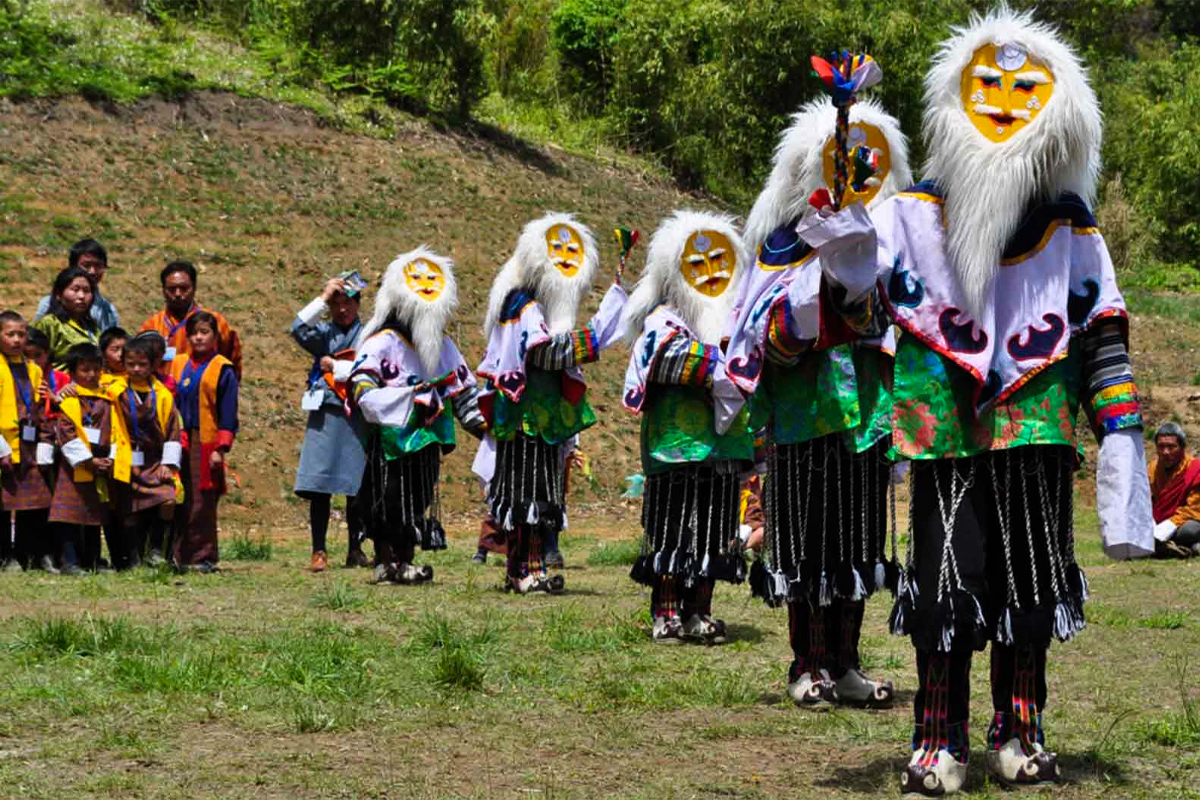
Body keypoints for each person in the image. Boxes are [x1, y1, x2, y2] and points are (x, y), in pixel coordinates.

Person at [842, 9, 1153, 794]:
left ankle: (1021, 730)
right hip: (942, 424)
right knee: (947, 583)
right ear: (955, 95)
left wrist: (1120, 433)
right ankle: (938, 739)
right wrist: (840, 230)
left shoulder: (1073, 228)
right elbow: (854, 306)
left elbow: (1101, 330)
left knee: (1030, 583)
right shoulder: (909, 217)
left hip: (1037, 423)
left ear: (1058, 111)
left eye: (1025, 88)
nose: (1006, 98)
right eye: (987, 83)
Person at [718, 96, 912, 708]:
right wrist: (810, 312)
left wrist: (861, 291)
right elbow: (753, 334)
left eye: (866, 162)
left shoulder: (891, 248)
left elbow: (905, 319)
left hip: (865, 421)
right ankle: (808, 664)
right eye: (839, 161)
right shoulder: (779, 246)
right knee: (805, 545)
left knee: (856, 544)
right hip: (804, 418)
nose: (852, 172)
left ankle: (847, 662)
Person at [474, 213, 630, 594]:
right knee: (524, 495)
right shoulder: (521, 303)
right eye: (556, 250)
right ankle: (523, 570)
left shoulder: (535, 306)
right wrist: (594, 336)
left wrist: (599, 329)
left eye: (571, 251)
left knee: (540, 496)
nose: (564, 257)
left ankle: (529, 568)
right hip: (525, 417)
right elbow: (542, 353)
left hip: (543, 420)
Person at [621, 210, 754, 644]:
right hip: (675, 444)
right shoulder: (661, 320)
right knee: (672, 527)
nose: (711, 272)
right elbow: (664, 363)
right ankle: (666, 612)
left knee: (715, 528)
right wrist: (723, 362)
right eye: (696, 266)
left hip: (721, 446)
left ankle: (700, 610)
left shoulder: (740, 320)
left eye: (720, 260)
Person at [351, 247, 487, 585]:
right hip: (392, 440)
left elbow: (465, 392)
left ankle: (405, 560)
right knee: (389, 498)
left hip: (428, 440)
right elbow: (362, 384)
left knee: (418, 498)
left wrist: (489, 427)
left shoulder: (441, 347)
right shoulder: (382, 342)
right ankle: (387, 561)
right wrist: (397, 399)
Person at [291, 272, 369, 572]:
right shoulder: (323, 333)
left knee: (355, 486)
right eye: (336, 303)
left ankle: (355, 549)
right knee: (320, 485)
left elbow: (372, 367)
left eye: (347, 302)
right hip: (325, 412)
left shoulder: (369, 333)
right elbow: (297, 328)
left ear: (358, 304)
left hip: (357, 412)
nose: (342, 309)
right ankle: (319, 550)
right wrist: (322, 297)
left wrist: (337, 366)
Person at [51, 342, 130, 575]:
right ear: (73, 372)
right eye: (84, 370)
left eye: (96, 369)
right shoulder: (68, 401)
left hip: (101, 467)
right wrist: (88, 461)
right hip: (75, 468)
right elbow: (66, 434)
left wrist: (111, 458)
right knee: (71, 515)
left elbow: (118, 430)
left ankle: (93, 560)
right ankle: (70, 562)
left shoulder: (108, 400)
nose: (91, 374)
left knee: (95, 516)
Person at [169, 311, 239, 573]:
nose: (198, 337)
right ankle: (177, 555)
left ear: (214, 336)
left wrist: (220, 448)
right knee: (179, 496)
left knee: (202, 500)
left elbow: (229, 412)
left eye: (204, 332)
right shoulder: (178, 364)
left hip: (206, 441)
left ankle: (203, 555)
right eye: (194, 333)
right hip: (178, 438)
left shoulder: (222, 368)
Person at [113, 336, 183, 568]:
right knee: (130, 509)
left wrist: (169, 464)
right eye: (131, 364)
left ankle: (158, 550)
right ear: (123, 364)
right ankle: (134, 558)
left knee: (167, 500)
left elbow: (173, 429)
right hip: (125, 461)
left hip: (155, 462)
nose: (136, 369)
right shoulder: (115, 391)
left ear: (152, 365)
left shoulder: (162, 394)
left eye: (142, 364)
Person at [0, 311, 55, 573]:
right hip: (4, 444)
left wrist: (43, 443)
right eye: (10, 334)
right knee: (3, 504)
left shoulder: (33, 369)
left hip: (28, 444)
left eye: (21, 334)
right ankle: (4, 555)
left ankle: (28, 552)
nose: (16, 340)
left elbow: (37, 407)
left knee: (34, 501)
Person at [141, 261, 243, 378]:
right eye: (172, 289)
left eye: (184, 288)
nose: (178, 294)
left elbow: (231, 361)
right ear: (163, 290)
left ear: (194, 288)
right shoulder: (152, 326)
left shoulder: (216, 322)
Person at [34, 239, 120, 332]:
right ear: (72, 266)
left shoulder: (108, 310)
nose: (92, 271)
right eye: (87, 265)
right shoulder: (48, 304)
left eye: (98, 266)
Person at [31, 266, 100, 370]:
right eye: (75, 290)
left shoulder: (92, 326)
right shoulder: (50, 323)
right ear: (59, 294)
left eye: (86, 291)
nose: (81, 296)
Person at [1149, 422, 1200, 558]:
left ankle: (1169, 544)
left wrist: (1169, 525)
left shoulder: (1195, 469)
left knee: (1189, 531)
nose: (1165, 452)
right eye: (1161, 447)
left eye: (1171, 447)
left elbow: (1194, 509)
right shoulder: (1152, 468)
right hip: (1159, 522)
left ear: (1182, 447)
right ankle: (1185, 547)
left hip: (1185, 520)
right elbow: (1146, 500)